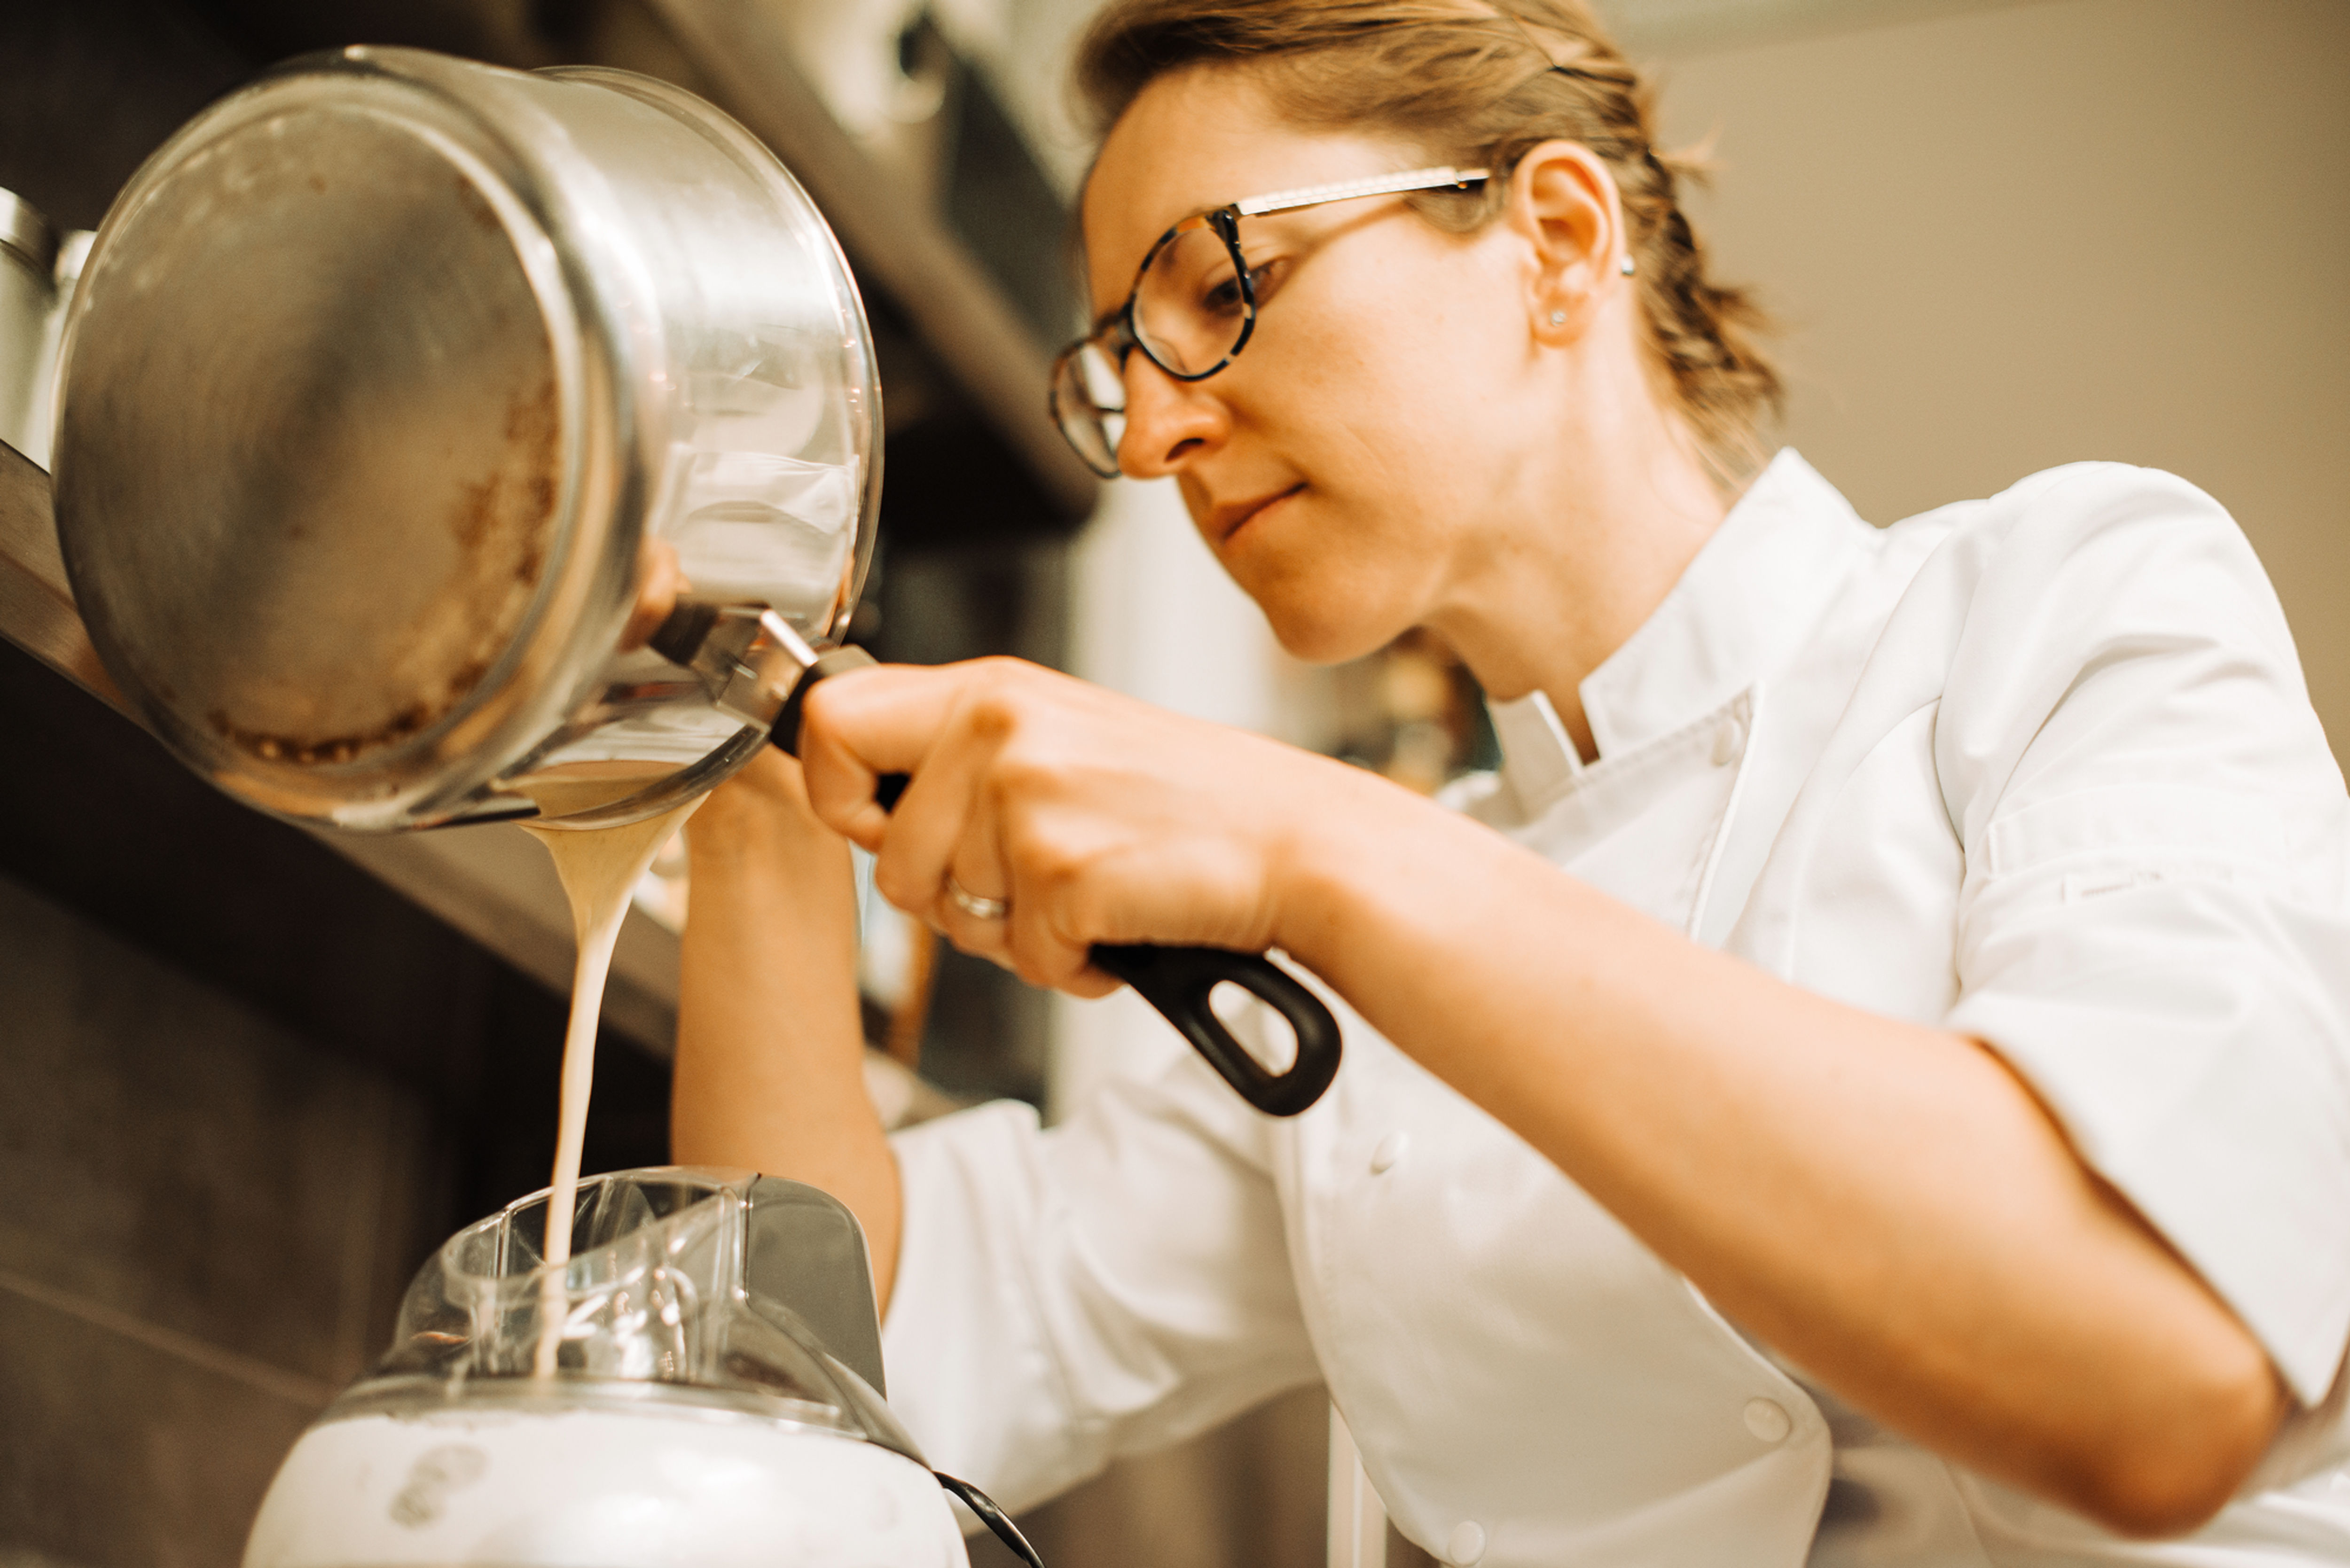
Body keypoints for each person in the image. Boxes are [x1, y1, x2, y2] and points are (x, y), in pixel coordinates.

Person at [671, 0, 2350, 1561]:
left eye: (1217, 289)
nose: (1158, 436)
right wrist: (754, 746)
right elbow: (836, 1375)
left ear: (1554, 239)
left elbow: (2164, 1361)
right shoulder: (1368, 941)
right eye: (1122, 362)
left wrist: (1313, 845)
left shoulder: (2065, 603)